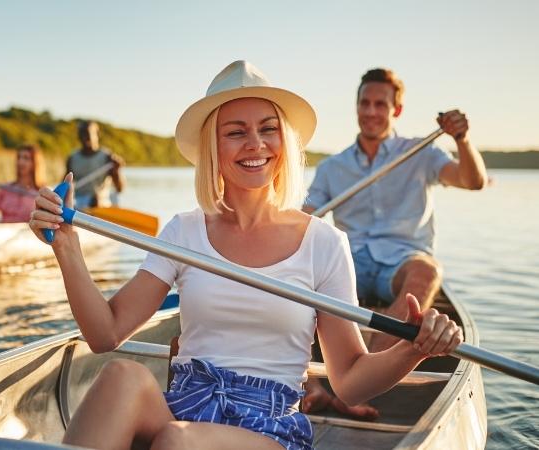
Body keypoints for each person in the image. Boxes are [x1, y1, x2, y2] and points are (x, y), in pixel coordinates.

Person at [29, 61, 462, 450]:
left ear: (284, 142)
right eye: (235, 131)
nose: (255, 144)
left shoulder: (324, 242)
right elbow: (105, 335)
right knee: (121, 377)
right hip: (184, 404)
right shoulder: (183, 231)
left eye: (267, 129)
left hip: (268, 428)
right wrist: (66, 247)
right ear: (213, 149)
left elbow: (348, 382)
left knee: (180, 442)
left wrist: (414, 350)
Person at [300, 68, 487, 418]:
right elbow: (304, 220)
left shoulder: (421, 153)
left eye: (380, 104)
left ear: (395, 110)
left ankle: (362, 375)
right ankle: (310, 384)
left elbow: (472, 181)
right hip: (350, 259)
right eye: (364, 103)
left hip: (401, 261)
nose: (371, 111)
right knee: (300, 272)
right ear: (356, 107)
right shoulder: (333, 167)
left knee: (427, 272)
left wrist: (462, 139)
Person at [0, 144, 45, 223]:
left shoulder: (43, 193)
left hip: (27, 233)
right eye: (19, 157)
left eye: (26, 158)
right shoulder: (5, 189)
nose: (20, 162)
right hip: (5, 232)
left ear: (35, 163)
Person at [66, 120, 126, 209]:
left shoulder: (107, 157)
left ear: (97, 135)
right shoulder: (72, 158)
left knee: (97, 199)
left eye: (87, 134)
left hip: (102, 202)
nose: (84, 137)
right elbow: (65, 185)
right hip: (79, 202)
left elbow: (120, 189)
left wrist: (117, 171)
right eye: (81, 134)